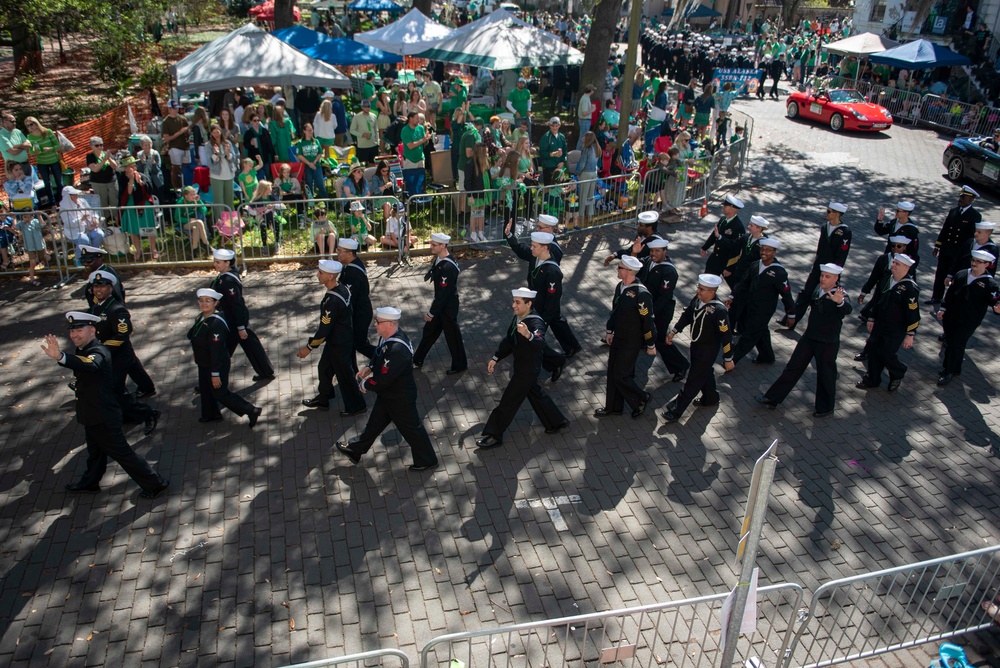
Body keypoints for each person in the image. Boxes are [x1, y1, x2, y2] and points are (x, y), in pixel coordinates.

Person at [42, 311, 169, 498]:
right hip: (92, 414)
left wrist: (61, 357)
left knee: (123, 453)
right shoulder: (83, 348)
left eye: (79, 329)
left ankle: (155, 483)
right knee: (96, 453)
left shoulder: (98, 351)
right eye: (72, 331)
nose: (74, 334)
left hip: (103, 416)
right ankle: (90, 482)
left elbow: (90, 365)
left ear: (92, 330)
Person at [335, 307, 439, 472]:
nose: (375, 325)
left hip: (399, 397)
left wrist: (365, 384)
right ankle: (355, 450)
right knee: (375, 423)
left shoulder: (396, 350)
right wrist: (369, 367)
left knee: (412, 428)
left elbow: (384, 379)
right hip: (391, 395)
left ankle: (427, 460)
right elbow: (379, 354)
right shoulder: (389, 337)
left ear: (390, 324)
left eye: (378, 322)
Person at [476, 288, 569, 449]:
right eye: (514, 301)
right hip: (522, 367)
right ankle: (556, 422)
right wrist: (496, 357)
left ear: (529, 304)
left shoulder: (535, 322)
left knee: (508, 402)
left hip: (527, 370)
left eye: (517, 302)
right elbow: (509, 340)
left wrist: (529, 335)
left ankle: (494, 434)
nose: (513, 305)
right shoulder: (519, 318)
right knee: (536, 394)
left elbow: (540, 342)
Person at [757, 264, 851, 417]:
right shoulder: (817, 288)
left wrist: (839, 302)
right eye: (822, 275)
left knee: (826, 375)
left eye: (827, 277)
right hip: (809, 338)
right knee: (793, 367)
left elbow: (847, 309)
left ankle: (825, 408)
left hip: (827, 342)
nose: (823, 279)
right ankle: (772, 398)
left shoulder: (840, 294)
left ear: (836, 279)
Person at [86, 270, 159, 433]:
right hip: (109, 356)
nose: (99, 290)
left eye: (103, 287)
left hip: (119, 356)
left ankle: (148, 413)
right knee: (119, 386)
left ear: (110, 288)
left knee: (114, 390)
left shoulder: (116, 309)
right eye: (96, 286)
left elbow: (122, 334)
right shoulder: (96, 307)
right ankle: (129, 416)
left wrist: (102, 349)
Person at [661, 274, 734, 423]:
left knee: (693, 379)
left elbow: (726, 336)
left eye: (702, 289)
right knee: (704, 373)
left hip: (707, 351)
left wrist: (728, 358)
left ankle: (676, 410)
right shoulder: (698, 300)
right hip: (695, 346)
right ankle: (710, 397)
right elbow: (687, 315)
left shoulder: (719, 310)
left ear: (712, 292)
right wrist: (674, 331)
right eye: (698, 288)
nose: (698, 291)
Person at [299, 259, 367, 416]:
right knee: (324, 369)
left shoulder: (332, 301)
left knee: (345, 376)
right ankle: (324, 397)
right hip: (341, 339)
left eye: (320, 273)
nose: (318, 275)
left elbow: (324, 330)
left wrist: (308, 348)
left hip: (339, 343)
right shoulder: (342, 288)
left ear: (330, 276)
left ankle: (357, 406)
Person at [188, 288, 263, 426]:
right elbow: (195, 337)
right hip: (204, 361)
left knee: (220, 393)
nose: (204, 303)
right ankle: (211, 415)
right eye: (201, 300)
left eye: (208, 301)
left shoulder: (216, 324)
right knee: (205, 389)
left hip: (215, 364)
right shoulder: (201, 317)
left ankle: (251, 410)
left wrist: (215, 374)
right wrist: (196, 352)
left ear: (216, 303)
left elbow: (216, 351)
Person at [595, 256, 657, 419]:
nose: (617, 269)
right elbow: (615, 311)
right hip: (618, 337)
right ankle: (613, 407)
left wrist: (650, 344)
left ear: (629, 271)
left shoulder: (641, 294)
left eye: (620, 267)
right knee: (612, 372)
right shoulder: (620, 287)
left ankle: (642, 398)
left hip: (631, 340)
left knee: (621, 375)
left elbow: (648, 322)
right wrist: (610, 331)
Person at [856, 254, 920, 392]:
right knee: (873, 350)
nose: (893, 265)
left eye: (897, 264)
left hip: (895, 329)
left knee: (886, 354)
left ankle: (898, 372)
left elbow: (913, 313)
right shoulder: (887, 279)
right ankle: (872, 379)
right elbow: (877, 300)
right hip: (880, 324)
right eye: (894, 262)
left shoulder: (910, 288)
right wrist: (871, 318)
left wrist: (910, 334)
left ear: (906, 268)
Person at [936, 250, 1000, 385]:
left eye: (979, 262)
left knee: (955, 344)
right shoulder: (962, 274)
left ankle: (948, 371)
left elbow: (995, 302)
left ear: (987, 264)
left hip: (969, 320)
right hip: (952, 315)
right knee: (952, 342)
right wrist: (943, 308)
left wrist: (997, 309)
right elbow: (950, 293)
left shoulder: (990, 284)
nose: (974, 263)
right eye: (973, 260)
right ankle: (955, 368)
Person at [210, 248, 275, 381]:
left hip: (233, 320)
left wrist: (240, 326)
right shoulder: (226, 275)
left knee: (222, 351)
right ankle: (266, 371)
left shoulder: (228, 281)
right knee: (249, 346)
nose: (215, 265)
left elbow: (236, 304)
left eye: (218, 262)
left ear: (227, 263)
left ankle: (212, 379)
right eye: (215, 262)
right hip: (233, 319)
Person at [727, 238, 795, 365]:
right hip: (751, 305)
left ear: (774, 252)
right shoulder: (755, 265)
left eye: (768, 251)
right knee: (761, 330)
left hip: (764, 310)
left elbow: (786, 294)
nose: (764, 252)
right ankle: (767, 356)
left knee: (750, 334)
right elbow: (743, 283)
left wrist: (791, 314)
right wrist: (732, 296)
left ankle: (732, 359)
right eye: (763, 249)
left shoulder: (779, 272)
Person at [784, 201, 851, 328]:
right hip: (818, 267)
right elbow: (820, 248)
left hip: (831, 271)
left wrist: (835, 271)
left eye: (829, 212)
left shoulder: (845, 231)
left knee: (827, 297)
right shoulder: (825, 227)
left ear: (837, 214)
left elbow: (842, 254)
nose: (826, 213)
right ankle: (792, 319)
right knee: (806, 293)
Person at [413, 233, 468, 373]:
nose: (431, 247)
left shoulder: (447, 268)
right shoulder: (440, 259)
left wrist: (431, 313)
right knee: (429, 331)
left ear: (443, 246)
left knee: (452, 336)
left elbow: (443, 295)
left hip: (447, 307)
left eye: (434, 245)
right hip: (442, 305)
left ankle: (460, 365)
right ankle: (417, 359)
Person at [644, 238, 689, 382]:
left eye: (657, 251)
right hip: (649, 307)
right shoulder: (649, 262)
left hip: (661, 311)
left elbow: (663, 298)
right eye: (652, 251)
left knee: (660, 340)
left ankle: (680, 365)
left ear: (665, 251)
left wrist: (650, 314)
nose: (653, 254)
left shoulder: (668, 271)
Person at [930, 186, 981, 305]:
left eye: (963, 197)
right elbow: (945, 229)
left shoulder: (974, 216)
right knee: (940, 274)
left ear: (971, 199)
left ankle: (949, 301)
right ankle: (936, 297)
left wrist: (965, 254)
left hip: (958, 253)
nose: (960, 199)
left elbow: (970, 238)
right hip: (946, 249)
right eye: (960, 197)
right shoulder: (953, 211)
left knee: (955, 278)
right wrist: (938, 245)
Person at [336, 238, 377, 362]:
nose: (337, 253)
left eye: (340, 251)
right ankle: (351, 370)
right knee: (352, 343)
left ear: (349, 254)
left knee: (360, 344)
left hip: (360, 314)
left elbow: (349, 298)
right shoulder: (352, 265)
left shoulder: (352, 273)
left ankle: (385, 359)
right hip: (359, 311)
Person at [117, 157, 160, 262]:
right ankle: (138, 250)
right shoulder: (122, 178)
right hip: (130, 204)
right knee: (133, 229)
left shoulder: (142, 175)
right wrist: (131, 179)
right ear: (125, 168)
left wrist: (140, 181)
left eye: (134, 165)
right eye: (130, 166)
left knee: (149, 227)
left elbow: (149, 189)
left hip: (143, 203)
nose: (133, 167)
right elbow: (129, 192)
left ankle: (153, 249)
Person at [700, 194, 746, 285]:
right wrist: (705, 247)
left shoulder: (738, 227)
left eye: (725, 206)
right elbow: (714, 235)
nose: (723, 207)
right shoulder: (723, 220)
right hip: (715, 259)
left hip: (726, 262)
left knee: (734, 286)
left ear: (731, 209)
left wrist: (730, 268)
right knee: (706, 283)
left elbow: (736, 248)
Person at [24, 116, 63, 207]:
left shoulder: (47, 132)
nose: (30, 127)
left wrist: (51, 149)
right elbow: (30, 151)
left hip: (54, 160)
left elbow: (58, 146)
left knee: (59, 182)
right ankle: (52, 203)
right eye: (28, 126)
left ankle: (62, 201)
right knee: (47, 183)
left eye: (31, 124)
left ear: (36, 123)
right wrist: (34, 152)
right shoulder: (29, 137)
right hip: (41, 162)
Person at [60, 186, 105, 265]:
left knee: (99, 234)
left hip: (89, 228)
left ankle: (93, 256)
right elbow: (69, 223)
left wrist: (95, 218)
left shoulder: (82, 201)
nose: (76, 196)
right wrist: (81, 219)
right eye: (73, 195)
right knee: (84, 239)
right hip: (74, 231)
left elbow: (92, 212)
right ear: (68, 197)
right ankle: (79, 259)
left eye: (76, 194)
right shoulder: (64, 208)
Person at [874, 201, 919, 271]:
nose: (896, 212)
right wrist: (880, 220)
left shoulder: (911, 229)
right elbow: (880, 231)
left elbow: (913, 250)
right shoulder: (894, 222)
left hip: (900, 262)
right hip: (889, 257)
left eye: (898, 211)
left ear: (906, 213)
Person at [85, 136, 119, 220]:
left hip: (111, 181)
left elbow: (115, 166)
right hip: (98, 183)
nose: (100, 147)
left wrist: (109, 158)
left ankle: (117, 220)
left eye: (101, 145)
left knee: (115, 201)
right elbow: (95, 169)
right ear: (92, 146)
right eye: (97, 145)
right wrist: (104, 160)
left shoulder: (106, 153)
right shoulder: (90, 156)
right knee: (103, 203)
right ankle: (107, 221)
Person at [207, 123, 238, 212]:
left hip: (229, 175)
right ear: (211, 134)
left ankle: (230, 223)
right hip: (216, 176)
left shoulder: (227, 143)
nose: (216, 134)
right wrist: (216, 153)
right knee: (219, 202)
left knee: (229, 202)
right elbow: (210, 162)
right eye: (214, 133)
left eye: (218, 132)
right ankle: (220, 224)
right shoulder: (208, 145)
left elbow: (233, 158)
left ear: (221, 132)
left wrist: (228, 153)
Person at [174, 185, 212, 258]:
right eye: (191, 194)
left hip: (195, 223)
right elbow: (177, 218)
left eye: (194, 194)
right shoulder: (180, 202)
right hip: (184, 224)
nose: (194, 196)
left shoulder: (196, 201)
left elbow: (204, 212)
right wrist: (188, 220)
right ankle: (207, 245)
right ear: (186, 196)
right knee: (199, 222)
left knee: (195, 228)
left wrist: (199, 201)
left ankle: (193, 251)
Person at [161, 100, 191, 191]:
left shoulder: (183, 119)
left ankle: (185, 184)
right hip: (174, 147)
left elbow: (188, 132)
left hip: (185, 146)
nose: (176, 110)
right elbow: (166, 138)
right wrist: (179, 133)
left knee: (187, 165)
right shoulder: (166, 122)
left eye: (176, 108)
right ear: (169, 109)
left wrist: (187, 132)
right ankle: (176, 187)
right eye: (174, 108)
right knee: (175, 167)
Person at [401, 111, 431, 196]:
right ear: (410, 119)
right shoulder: (405, 130)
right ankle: (411, 198)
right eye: (417, 118)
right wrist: (423, 140)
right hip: (410, 159)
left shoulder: (420, 128)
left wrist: (429, 139)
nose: (419, 120)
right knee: (411, 181)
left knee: (420, 180)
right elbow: (410, 146)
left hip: (420, 159)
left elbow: (424, 142)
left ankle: (421, 197)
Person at [296, 123, 328, 199]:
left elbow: (320, 152)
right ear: (304, 131)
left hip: (317, 166)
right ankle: (310, 202)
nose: (311, 132)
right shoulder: (301, 143)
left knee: (320, 184)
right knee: (309, 184)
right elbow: (299, 155)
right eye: (309, 130)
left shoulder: (316, 141)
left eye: (312, 130)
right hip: (306, 166)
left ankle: (326, 201)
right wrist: (309, 164)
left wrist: (314, 162)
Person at [243, 113, 276, 182]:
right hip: (255, 161)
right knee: (258, 178)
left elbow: (270, 144)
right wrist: (250, 143)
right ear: (251, 121)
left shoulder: (264, 131)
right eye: (254, 120)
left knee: (267, 176)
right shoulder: (248, 133)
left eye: (258, 120)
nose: (257, 122)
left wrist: (274, 154)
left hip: (265, 158)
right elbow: (245, 146)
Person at [538, 117, 568, 186]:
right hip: (549, 167)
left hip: (559, 167)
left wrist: (563, 162)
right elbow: (541, 153)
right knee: (549, 188)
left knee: (560, 188)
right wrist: (552, 154)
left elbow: (565, 151)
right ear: (549, 125)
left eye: (556, 126)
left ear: (559, 125)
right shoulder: (546, 137)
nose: (554, 128)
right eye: (552, 126)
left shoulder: (562, 137)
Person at [350, 99, 380, 165]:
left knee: (373, 164)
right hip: (362, 146)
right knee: (363, 165)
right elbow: (352, 130)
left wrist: (378, 142)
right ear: (362, 107)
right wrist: (361, 135)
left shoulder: (374, 116)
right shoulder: (357, 117)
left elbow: (376, 130)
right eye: (365, 107)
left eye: (368, 106)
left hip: (373, 145)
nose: (367, 108)